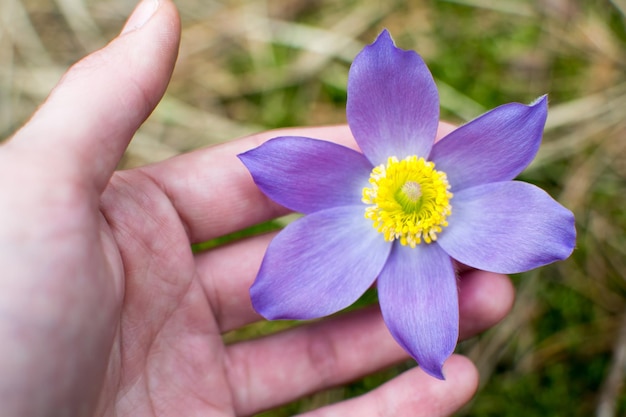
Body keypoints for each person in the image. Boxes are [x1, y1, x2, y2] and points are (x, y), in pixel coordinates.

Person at [0, 0, 515, 415]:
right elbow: (281, 175)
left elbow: (515, 144)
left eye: (416, 192)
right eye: (407, 188)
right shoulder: (324, 177)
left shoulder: (444, 186)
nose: (412, 194)